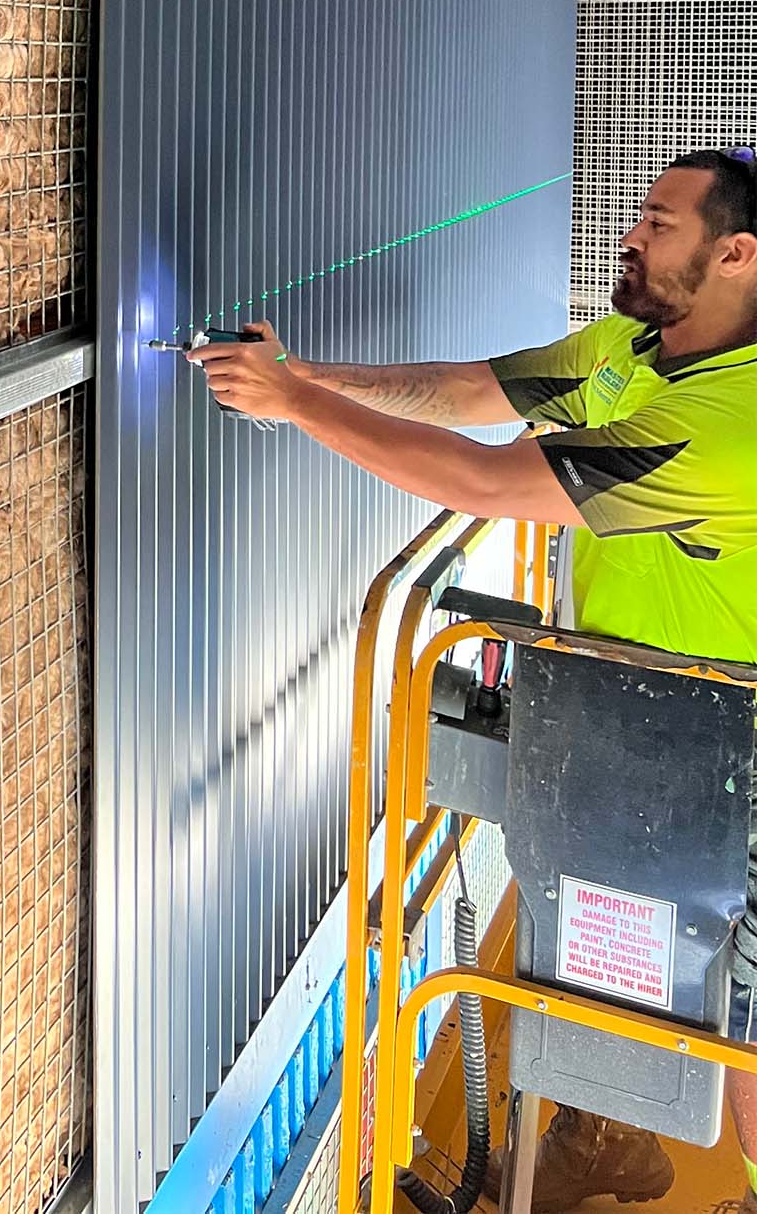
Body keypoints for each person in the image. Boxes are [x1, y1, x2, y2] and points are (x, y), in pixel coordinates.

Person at [191, 149, 757, 1214]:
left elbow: (485, 481)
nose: (630, 235)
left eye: (658, 220)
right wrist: (296, 380)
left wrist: (296, 406)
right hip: (636, 711)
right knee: (603, 941)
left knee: (741, 1027)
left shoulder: (729, 426)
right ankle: (606, 1143)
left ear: (735, 253)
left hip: (733, 750)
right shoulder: (639, 343)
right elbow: (471, 394)